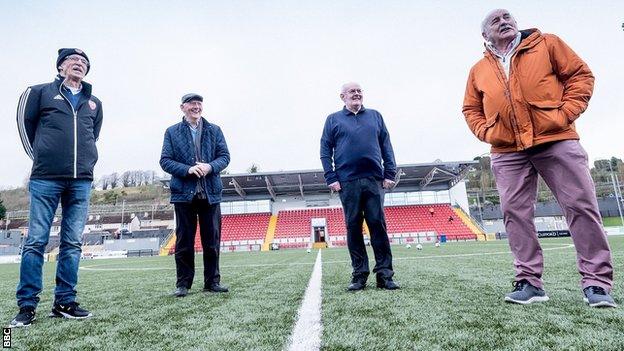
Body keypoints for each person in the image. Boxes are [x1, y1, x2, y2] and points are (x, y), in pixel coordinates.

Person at [462, 9, 615, 307]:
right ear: (485, 35)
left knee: (580, 206)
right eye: (496, 21)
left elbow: (581, 76)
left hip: (556, 139)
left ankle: (597, 284)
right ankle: (529, 282)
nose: (504, 22)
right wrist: (488, 132)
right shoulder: (478, 69)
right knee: (515, 215)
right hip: (507, 150)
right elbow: (470, 109)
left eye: (508, 17)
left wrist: (565, 114)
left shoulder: (548, 44)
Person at [11, 48, 103, 327]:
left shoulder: (94, 102)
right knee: (36, 241)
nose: (79, 64)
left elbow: (93, 135)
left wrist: (86, 163)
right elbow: (24, 126)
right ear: (61, 65)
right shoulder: (38, 92)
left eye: (84, 62)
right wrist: (41, 157)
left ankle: (64, 302)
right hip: (45, 178)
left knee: (72, 243)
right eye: (74, 60)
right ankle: (27, 306)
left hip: (81, 181)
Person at [320, 82, 399, 291]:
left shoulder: (375, 116)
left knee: (378, 226)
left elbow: (386, 146)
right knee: (353, 227)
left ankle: (385, 275)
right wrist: (331, 177)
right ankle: (359, 275)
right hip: (347, 182)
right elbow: (325, 150)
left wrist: (390, 173)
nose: (357, 94)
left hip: (374, 180)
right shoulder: (333, 120)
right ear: (342, 97)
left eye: (359, 91)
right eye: (352, 91)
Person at [160, 93, 230, 297]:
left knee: (212, 241)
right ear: (182, 107)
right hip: (184, 194)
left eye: (199, 103)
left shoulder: (214, 130)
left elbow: (225, 157)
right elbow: (165, 161)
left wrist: (209, 167)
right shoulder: (172, 132)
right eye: (192, 103)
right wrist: (188, 170)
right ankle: (183, 284)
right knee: (184, 242)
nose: (196, 106)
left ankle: (212, 282)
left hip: (210, 194)